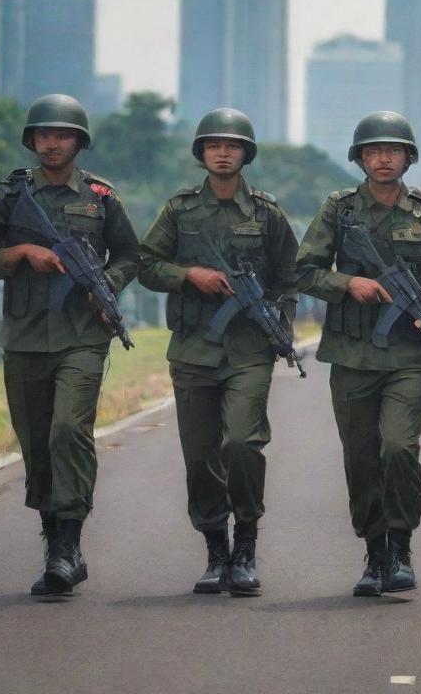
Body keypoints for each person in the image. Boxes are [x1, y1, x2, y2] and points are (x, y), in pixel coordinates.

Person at [295, 111, 421, 597]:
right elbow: (304, 270)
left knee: (398, 447)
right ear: (360, 158)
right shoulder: (340, 210)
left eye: (393, 150)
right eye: (374, 151)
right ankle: (374, 551)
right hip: (351, 355)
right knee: (361, 457)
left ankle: (401, 543)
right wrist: (350, 283)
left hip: (409, 356)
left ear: (408, 158)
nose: (383, 158)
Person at [0, 94, 140, 596]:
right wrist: (23, 252)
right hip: (25, 337)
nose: (52, 142)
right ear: (32, 141)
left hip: (82, 337)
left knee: (68, 429)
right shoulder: (9, 196)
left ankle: (69, 546)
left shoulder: (101, 197)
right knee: (37, 442)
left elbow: (131, 254)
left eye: (62, 135)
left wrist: (104, 285)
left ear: (78, 141)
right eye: (44, 135)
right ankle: (54, 543)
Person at [139, 108, 298, 597]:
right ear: (202, 153)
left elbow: (291, 277)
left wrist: (279, 329)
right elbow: (145, 263)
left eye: (232, 145)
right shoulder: (179, 210)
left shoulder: (267, 213)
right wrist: (189, 275)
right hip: (191, 348)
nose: (223, 152)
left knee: (242, 444)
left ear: (245, 153)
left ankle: (245, 545)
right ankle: (215, 551)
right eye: (214, 145)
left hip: (249, 348)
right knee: (201, 456)